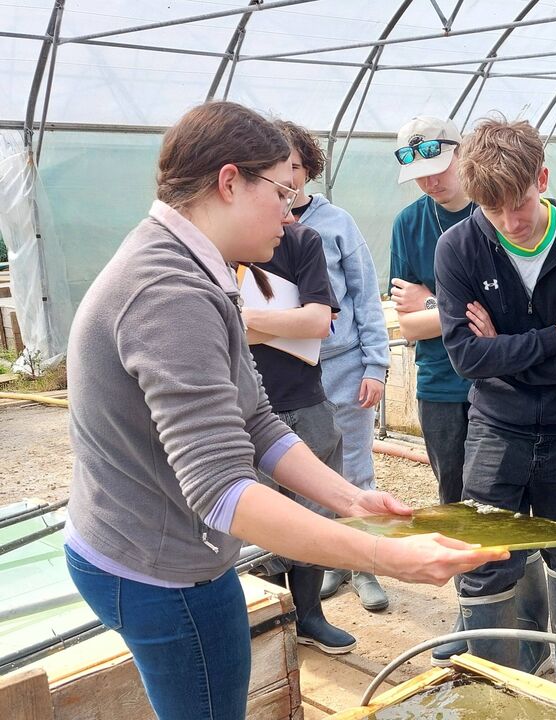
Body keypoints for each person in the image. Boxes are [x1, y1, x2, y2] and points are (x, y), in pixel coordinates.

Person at [62, 100, 507, 720]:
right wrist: (384, 554)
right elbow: (221, 491)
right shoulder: (168, 294)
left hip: (160, 548)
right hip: (158, 569)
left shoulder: (198, 265)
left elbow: (256, 420)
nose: (292, 209)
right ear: (228, 182)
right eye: (281, 191)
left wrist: (353, 502)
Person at [434, 118, 556, 701]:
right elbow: (464, 357)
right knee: (485, 552)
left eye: (519, 202)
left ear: (542, 177)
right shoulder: (459, 246)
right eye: (492, 209)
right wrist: (553, 338)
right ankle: (496, 674)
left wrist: (504, 350)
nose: (510, 220)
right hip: (496, 425)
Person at [275, 121, 392, 612]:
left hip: (341, 368)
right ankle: (327, 563)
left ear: (308, 168)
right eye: (277, 169)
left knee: (355, 472)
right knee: (304, 476)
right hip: (289, 374)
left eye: (296, 167)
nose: (287, 178)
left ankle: (365, 566)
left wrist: (376, 366)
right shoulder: (261, 228)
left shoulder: (336, 223)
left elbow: (367, 297)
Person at [242, 213, 358, 655]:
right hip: (249, 405)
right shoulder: (218, 248)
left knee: (313, 512)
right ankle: (274, 623)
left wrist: (249, 317)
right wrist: (288, 319)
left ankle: (309, 616)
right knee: (261, 518)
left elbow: (317, 323)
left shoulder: (302, 241)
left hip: (306, 398)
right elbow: (226, 330)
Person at [387, 115, 478, 666]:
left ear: (460, 152)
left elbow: (503, 312)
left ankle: (519, 608)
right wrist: (447, 311)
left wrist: (430, 305)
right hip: (441, 383)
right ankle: (470, 613)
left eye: (438, 168)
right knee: (453, 500)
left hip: (497, 378)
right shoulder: (409, 224)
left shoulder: (492, 208)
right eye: (420, 176)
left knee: (506, 497)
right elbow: (406, 321)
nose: (431, 182)